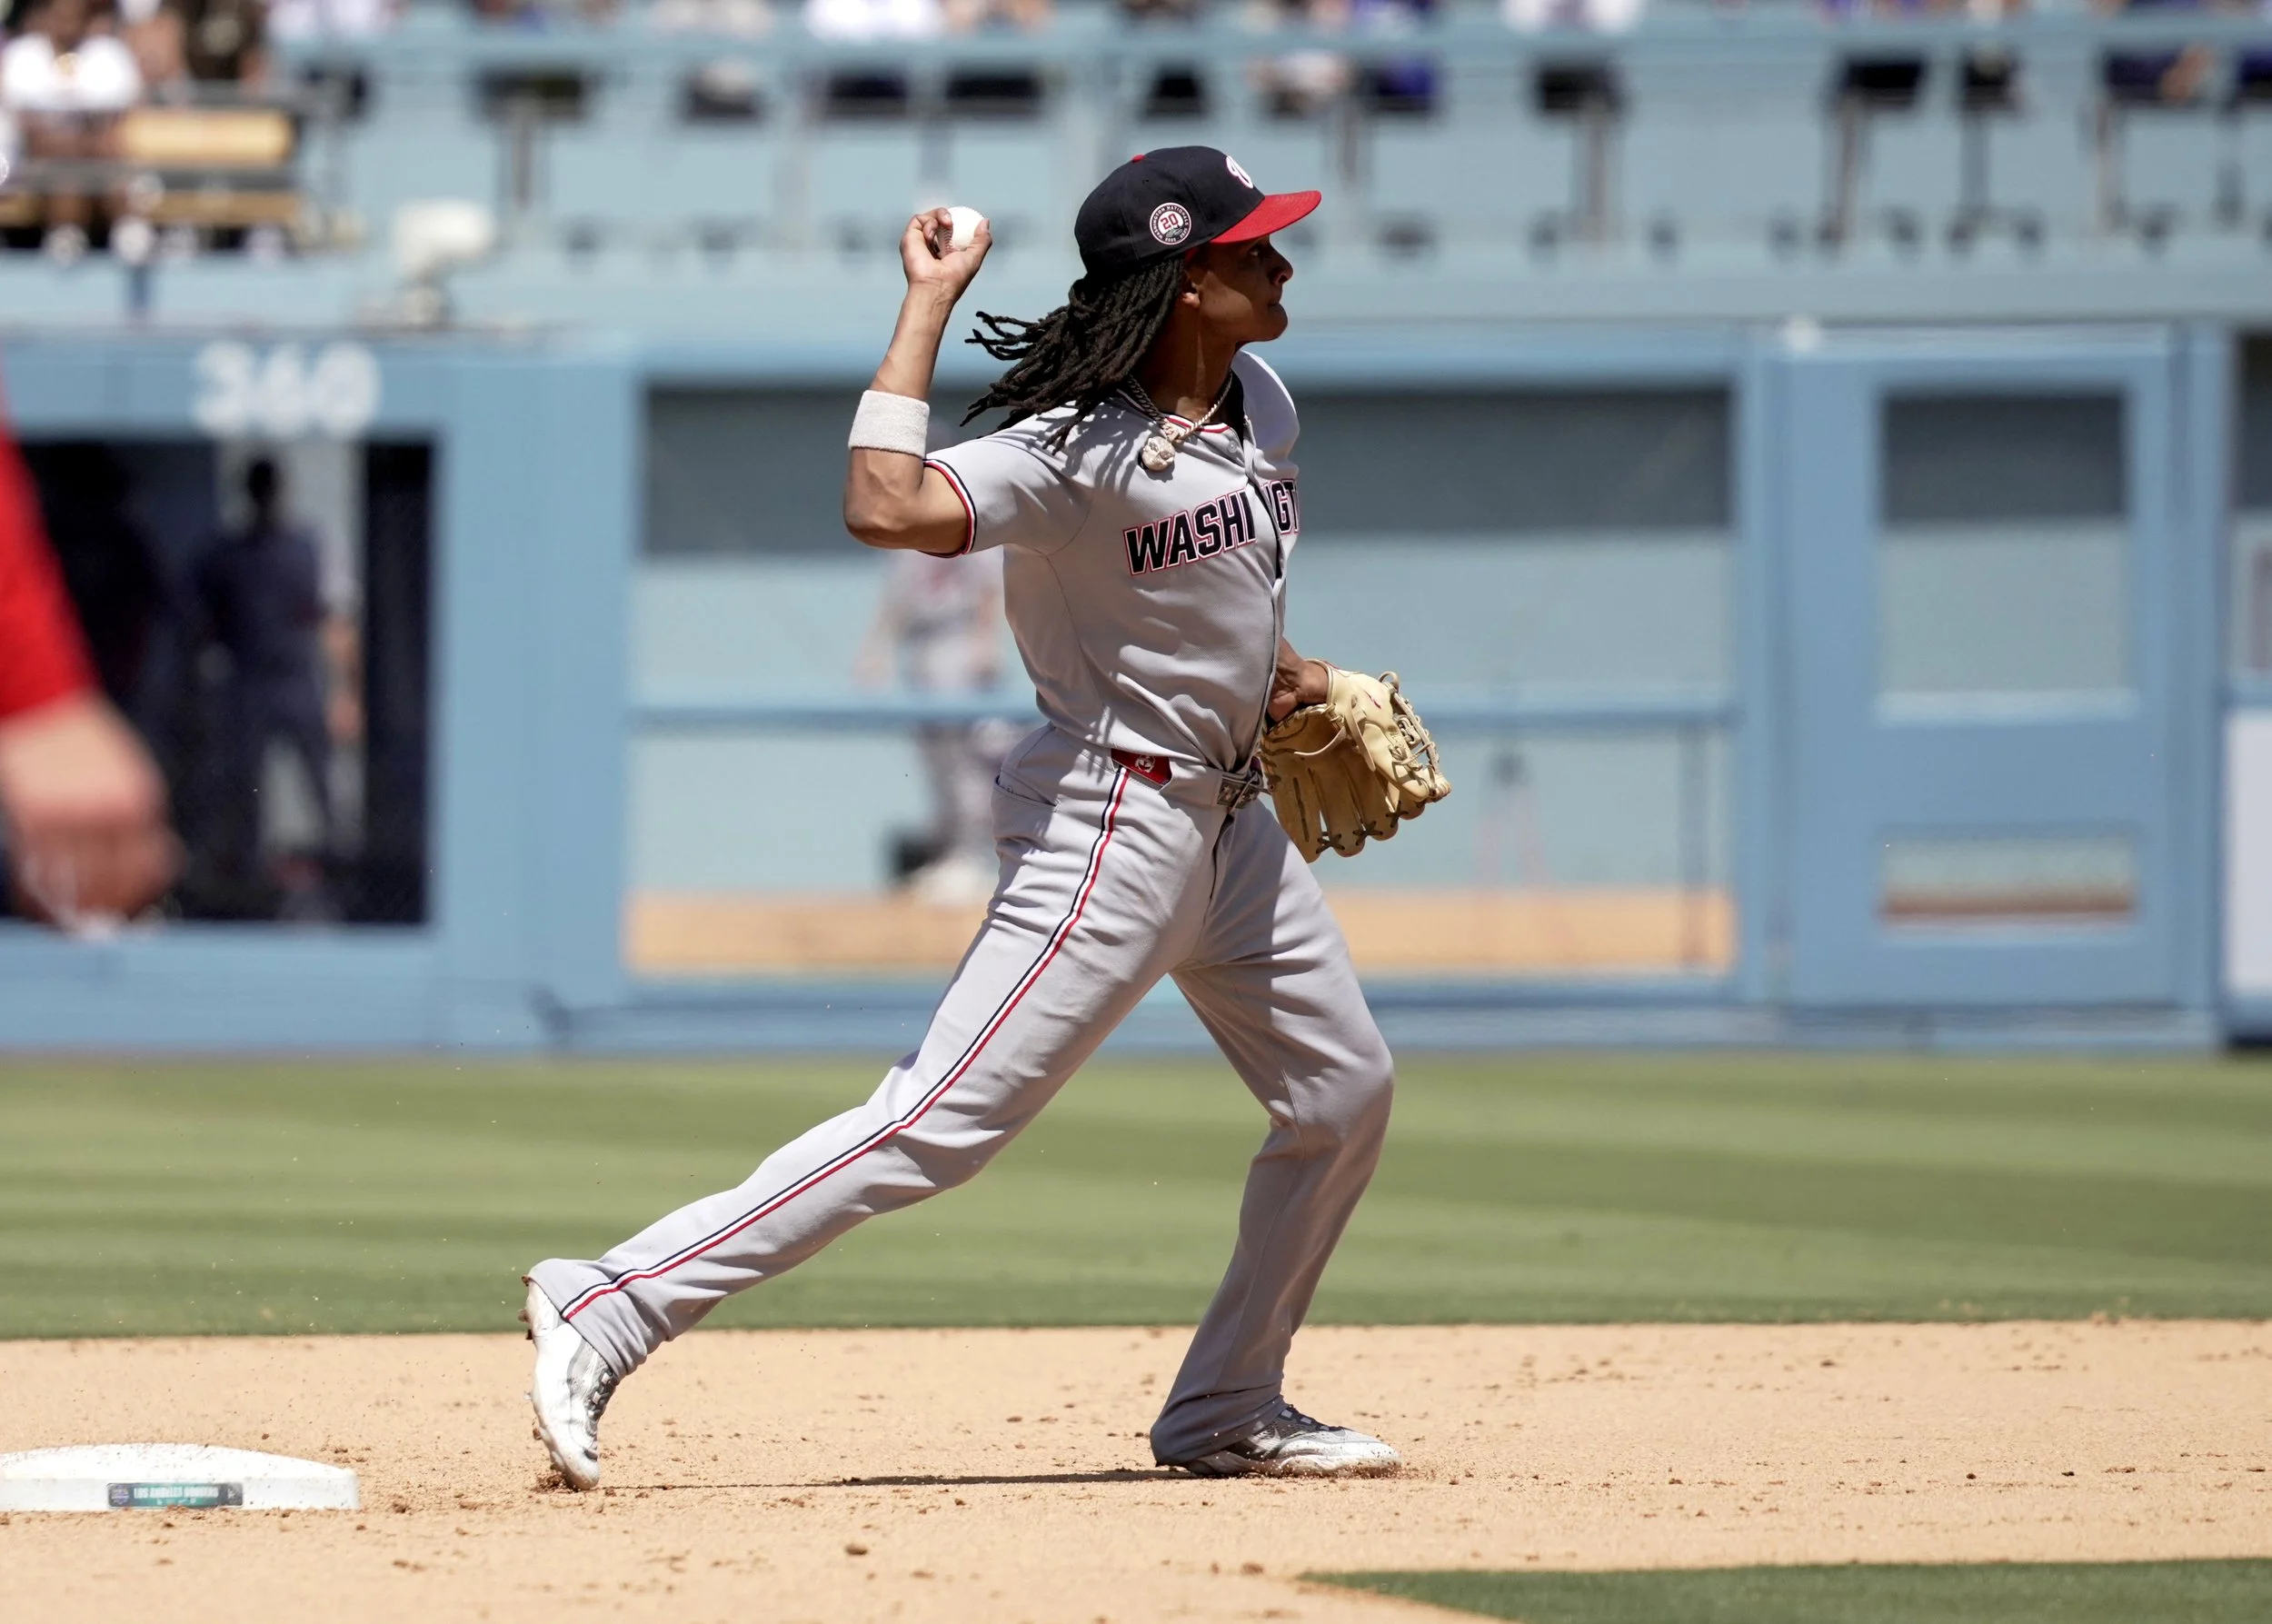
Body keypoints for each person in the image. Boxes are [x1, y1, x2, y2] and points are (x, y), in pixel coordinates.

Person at [523, 146, 1408, 1489]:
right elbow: (881, 503)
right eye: (1251, 249)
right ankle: (612, 1298)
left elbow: (1207, 602)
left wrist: (1295, 676)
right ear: (1183, 279)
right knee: (938, 1119)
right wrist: (929, 301)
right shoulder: (1073, 451)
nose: (1282, 262)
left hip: (1233, 826)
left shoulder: (1261, 408)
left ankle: (1228, 1400)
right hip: (1111, 825)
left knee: (1343, 1092)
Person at [0, 398, 177, 928]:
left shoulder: (117, 537)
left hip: (96, 700)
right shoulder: (71, 531)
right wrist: (32, 690)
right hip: (69, 710)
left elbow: (158, 603)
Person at [193, 457, 344, 914]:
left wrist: (346, 692)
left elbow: (333, 619)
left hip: (297, 676)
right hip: (248, 680)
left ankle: (341, 864)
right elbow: (201, 621)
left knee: (321, 778)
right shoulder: (226, 554)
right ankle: (248, 874)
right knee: (244, 781)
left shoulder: (307, 547)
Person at [857, 546, 1011, 902]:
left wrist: (986, 641)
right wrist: (876, 648)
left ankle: (969, 858)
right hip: (921, 646)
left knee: (967, 763)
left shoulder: (967, 525)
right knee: (937, 762)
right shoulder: (908, 539)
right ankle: (950, 857)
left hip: (959, 641)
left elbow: (989, 585)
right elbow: (898, 593)